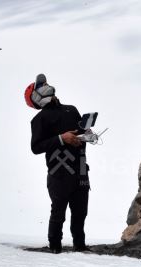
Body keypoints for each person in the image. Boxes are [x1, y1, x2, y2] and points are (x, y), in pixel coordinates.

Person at [28, 74, 91, 253]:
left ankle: (81, 247)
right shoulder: (39, 119)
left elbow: (81, 135)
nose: (46, 85)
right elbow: (36, 147)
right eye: (41, 85)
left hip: (80, 169)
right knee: (58, 214)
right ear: (35, 96)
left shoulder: (71, 110)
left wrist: (87, 135)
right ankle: (54, 248)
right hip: (59, 172)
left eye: (45, 83)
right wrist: (61, 139)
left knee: (80, 213)